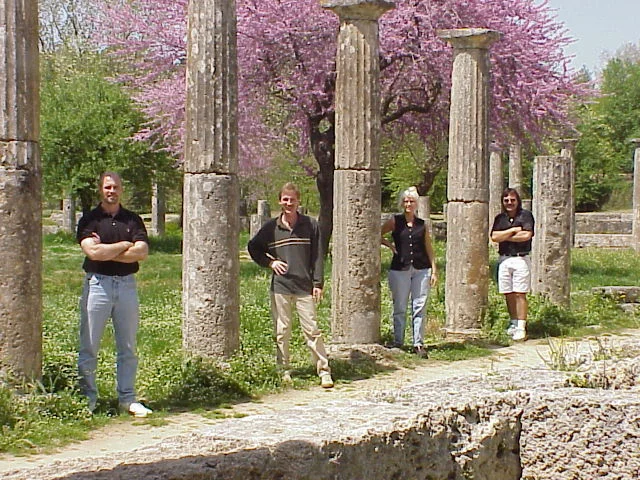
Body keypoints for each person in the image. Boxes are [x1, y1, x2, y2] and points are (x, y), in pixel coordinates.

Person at [76, 172, 152, 417]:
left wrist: (107, 249)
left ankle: (127, 398)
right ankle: (88, 398)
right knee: (89, 344)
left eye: (116, 187)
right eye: (108, 187)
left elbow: (141, 251)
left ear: (121, 190)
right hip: (98, 284)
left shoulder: (132, 219)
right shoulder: (90, 220)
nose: (112, 191)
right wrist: (123, 245)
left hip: (127, 284)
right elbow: (92, 253)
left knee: (128, 345)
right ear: (101, 190)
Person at [248, 182, 334, 388]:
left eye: (292, 200)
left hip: (304, 285)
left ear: (298, 201)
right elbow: (253, 247)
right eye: (285, 200)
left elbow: (317, 256)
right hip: (281, 287)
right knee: (282, 330)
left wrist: (318, 283)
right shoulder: (271, 227)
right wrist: (270, 262)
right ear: (280, 201)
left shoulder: (310, 225)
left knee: (312, 329)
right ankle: (284, 370)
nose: (288, 203)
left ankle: (324, 371)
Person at [381, 186, 437, 357]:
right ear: (402, 203)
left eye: (411, 201)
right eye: (405, 201)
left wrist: (434, 270)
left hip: (421, 268)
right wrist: (390, 246)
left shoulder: (422, 224)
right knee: (400, 306)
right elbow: (377, 234)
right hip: (400, 267)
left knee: (419, 305)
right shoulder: (395, 221)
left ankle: (418, 343)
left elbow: (428, 247)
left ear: (416, 204)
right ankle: (398, 341)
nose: (408, 204)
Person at [490, 188, 535, 341]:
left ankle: (522, 326)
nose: (509, 203)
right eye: (506, 200)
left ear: (517, 201)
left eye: (512, 200)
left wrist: (505, 235)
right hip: (504, 258)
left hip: (520, 258)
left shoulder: (526, 215)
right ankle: (513, 322)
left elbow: (526, 235)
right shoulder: (500, 218)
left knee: (520, 293)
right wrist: (514, 230)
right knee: (507, 293)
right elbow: (494, 237)